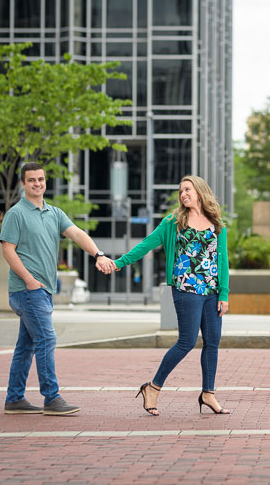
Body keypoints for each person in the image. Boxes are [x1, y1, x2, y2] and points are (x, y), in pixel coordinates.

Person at [97, 175, 230, 416]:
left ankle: (208, 393)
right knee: (186, 342)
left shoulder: (216, 224)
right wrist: (119, 263)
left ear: (200, 192)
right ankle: (153, 387)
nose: (183, 194)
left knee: (212, 342)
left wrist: (224, 293)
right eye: (181, 191)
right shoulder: (173, 222)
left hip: (211, 292)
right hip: (185, 290)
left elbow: (223, 261)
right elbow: (147, 244)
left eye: (187, 189)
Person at [0, 162, 109, 416]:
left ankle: (14, 399)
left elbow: (77, 234)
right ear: (23, 184)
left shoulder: (54, 213)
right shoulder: (16, 213)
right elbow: (7, 250)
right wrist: (29, 280)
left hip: (42, 289)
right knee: (47, 339)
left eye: (40, 179)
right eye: (31, 180)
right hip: (27, 289)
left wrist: (98, 254)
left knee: (26, 346)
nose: (37, 183)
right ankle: (51, 397)